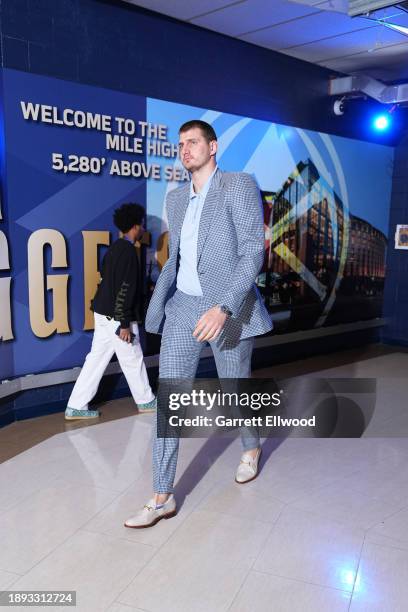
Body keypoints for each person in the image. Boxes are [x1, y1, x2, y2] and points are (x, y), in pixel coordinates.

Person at [125, 120, 273, 528]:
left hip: (229, 307)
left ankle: (250, 447)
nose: (185, 149)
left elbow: (250, 254)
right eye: (180, 144)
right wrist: (161, 304)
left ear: (213, 146)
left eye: (193, 142)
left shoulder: (237, 185)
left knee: (235, 387)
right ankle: (161, 496)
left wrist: (224, 307)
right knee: (170, 398)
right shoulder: (175, 198)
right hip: (185, 307)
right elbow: (176, 259)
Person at [65, 203, 156, 421]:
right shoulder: (128, 253)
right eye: (142, 225)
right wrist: (124, 323)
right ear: (135, 226)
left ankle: (75, 406)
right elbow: (124, 289)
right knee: (132, 358)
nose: (143, 229)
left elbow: (107, 280)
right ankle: (146, 400)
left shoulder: (114, 249)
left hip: (103, 313)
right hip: (117, 317)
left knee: (96, 359)